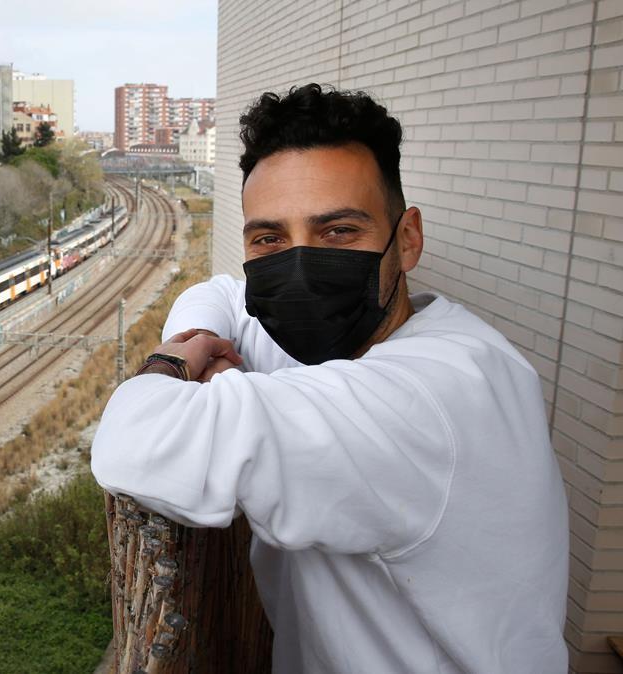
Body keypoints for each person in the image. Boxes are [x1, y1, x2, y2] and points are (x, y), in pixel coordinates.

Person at [91, 84, 569, 673]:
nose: (300, 266)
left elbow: (135, 440)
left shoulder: (426, 399)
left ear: (408, 238)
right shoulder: (361, 342)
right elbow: (217, 292)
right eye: (270, 238)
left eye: (339, 232)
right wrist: (199, 341)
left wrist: (168, 364)